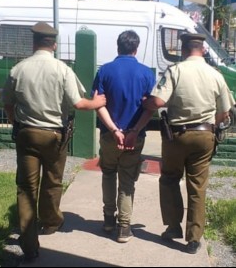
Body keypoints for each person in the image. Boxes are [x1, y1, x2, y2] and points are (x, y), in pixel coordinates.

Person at [2, 21, 106, 262]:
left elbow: (7, 103)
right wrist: (97, 103)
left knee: (26, 188)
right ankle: (50, 222)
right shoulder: (62, 70)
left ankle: (28, 244)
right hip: (54, 136)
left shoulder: (18, 69)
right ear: (54, 44)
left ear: (34, 42)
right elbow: (79, 103)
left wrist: (14, 122)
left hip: (26, 133)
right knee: (52, 180)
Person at [138, 33, 235, 254]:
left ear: (182, 50)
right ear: (202, 49)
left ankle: (173, 227)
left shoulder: (175, 71)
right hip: (204, 136)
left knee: (170, 179)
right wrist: (213, 126)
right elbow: (225, 111)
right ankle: (193, 239)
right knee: (197, 187)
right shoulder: (215, 74)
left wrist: (146, 102)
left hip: (176, 137)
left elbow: (159, 101)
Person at [90, 30, 156, 243]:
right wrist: (133, 131)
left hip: (110, 136)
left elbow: (97, 104)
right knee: (127, 180)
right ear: (136, 49)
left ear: (118, 47)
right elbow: (149, 108)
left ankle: (108, 219)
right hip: (134, 136)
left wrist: (114, 130)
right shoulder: (147, 73)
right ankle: (124, 227)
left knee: (108, 173)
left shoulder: (105, 71)